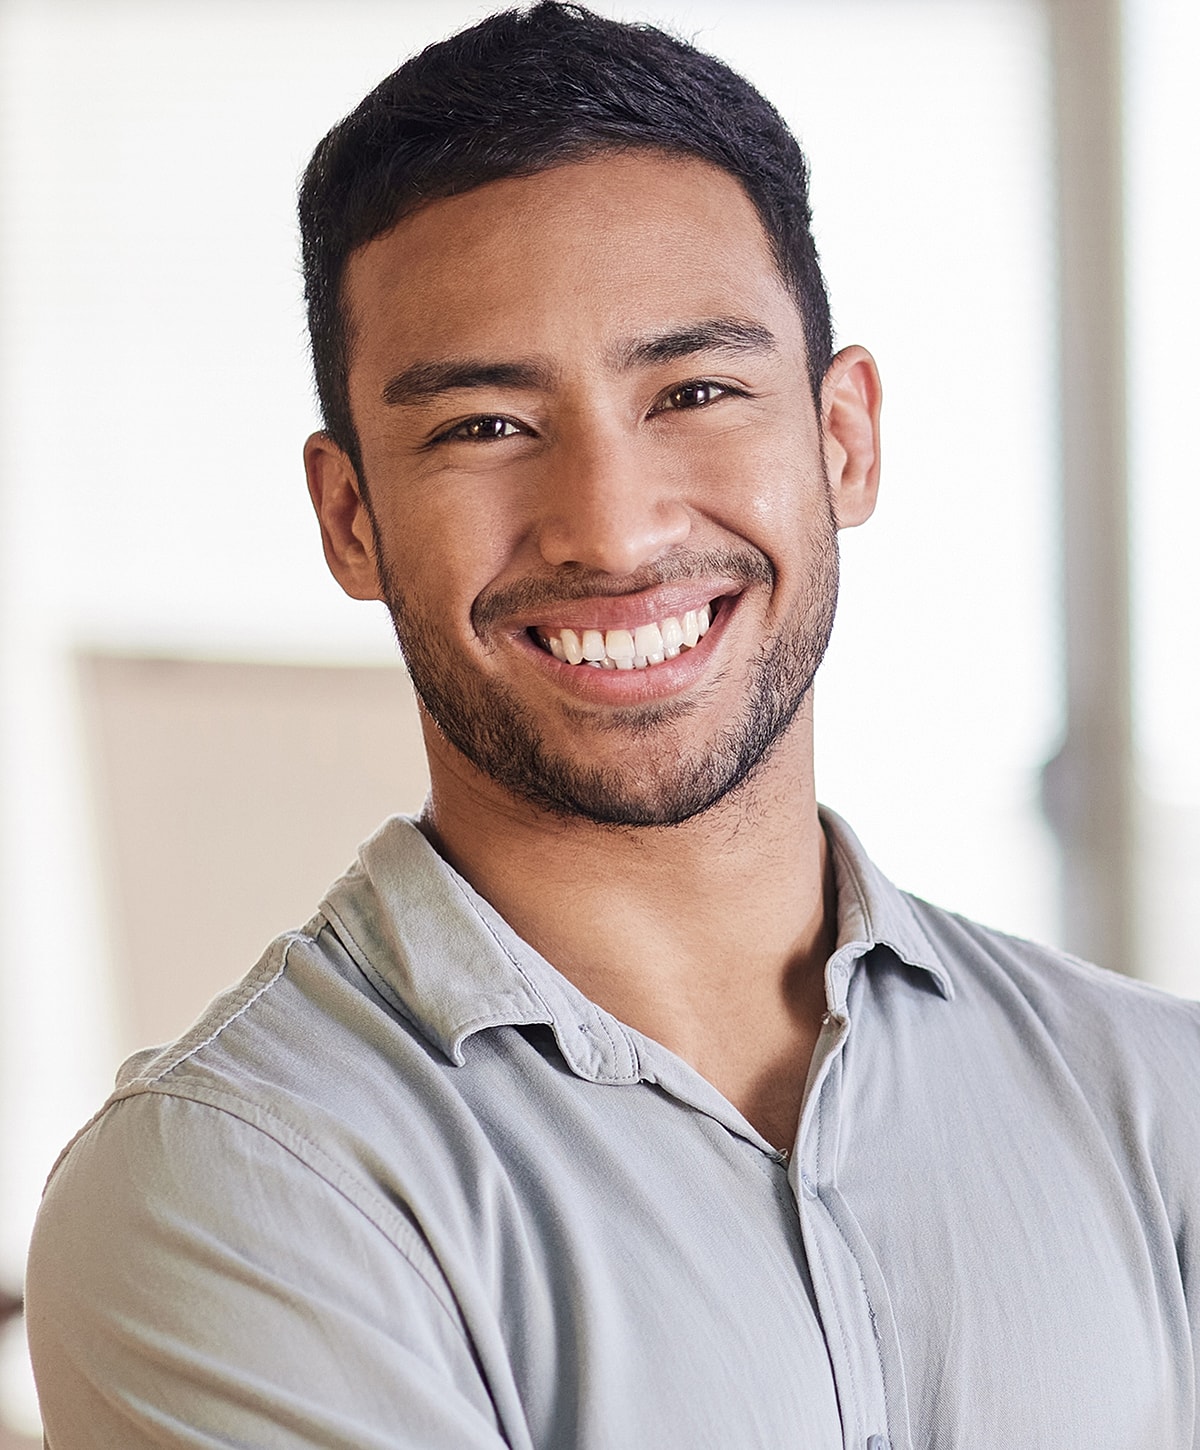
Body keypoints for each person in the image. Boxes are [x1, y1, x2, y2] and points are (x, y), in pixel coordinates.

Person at [24, 4, 1200, 1447]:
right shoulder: (226, 1194)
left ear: (844, 438)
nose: (613, 524)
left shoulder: (1163, 1098)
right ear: (350, 516)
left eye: (695, 391)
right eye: (486, 428)